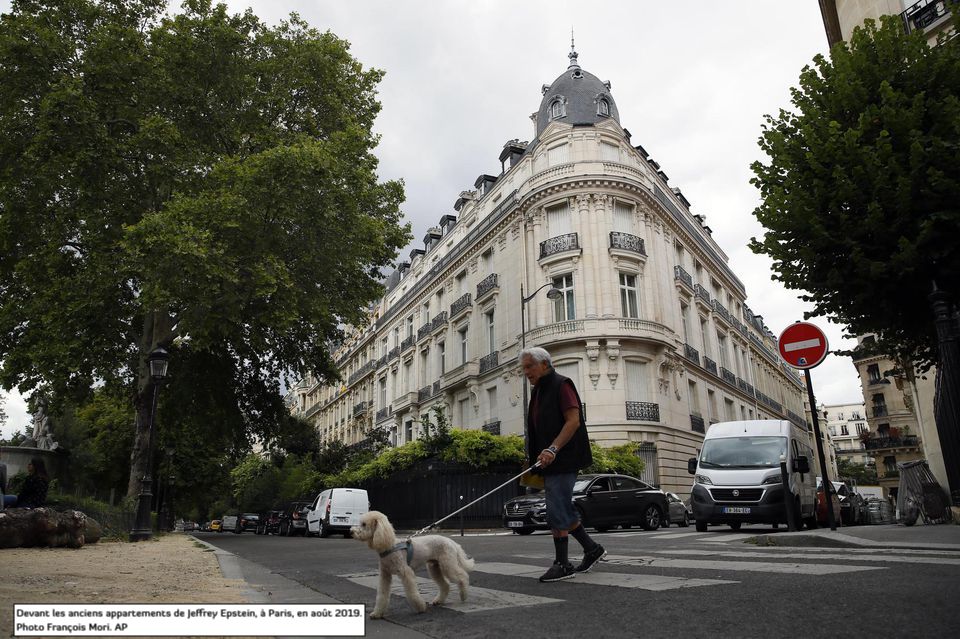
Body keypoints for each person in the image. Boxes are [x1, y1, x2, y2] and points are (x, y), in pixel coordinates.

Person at [520, 346, 605, 582]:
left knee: (557, 507)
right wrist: (535, 455)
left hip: (565, 458)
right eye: (524, 368)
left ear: (544, 364)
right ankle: (590, 549)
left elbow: (573, 421)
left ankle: (564, 563)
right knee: (558, 507)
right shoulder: (538, 391)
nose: (526, 372)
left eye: (529, 366)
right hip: (548, 460)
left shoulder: (562, 384)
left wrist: (553, 449)